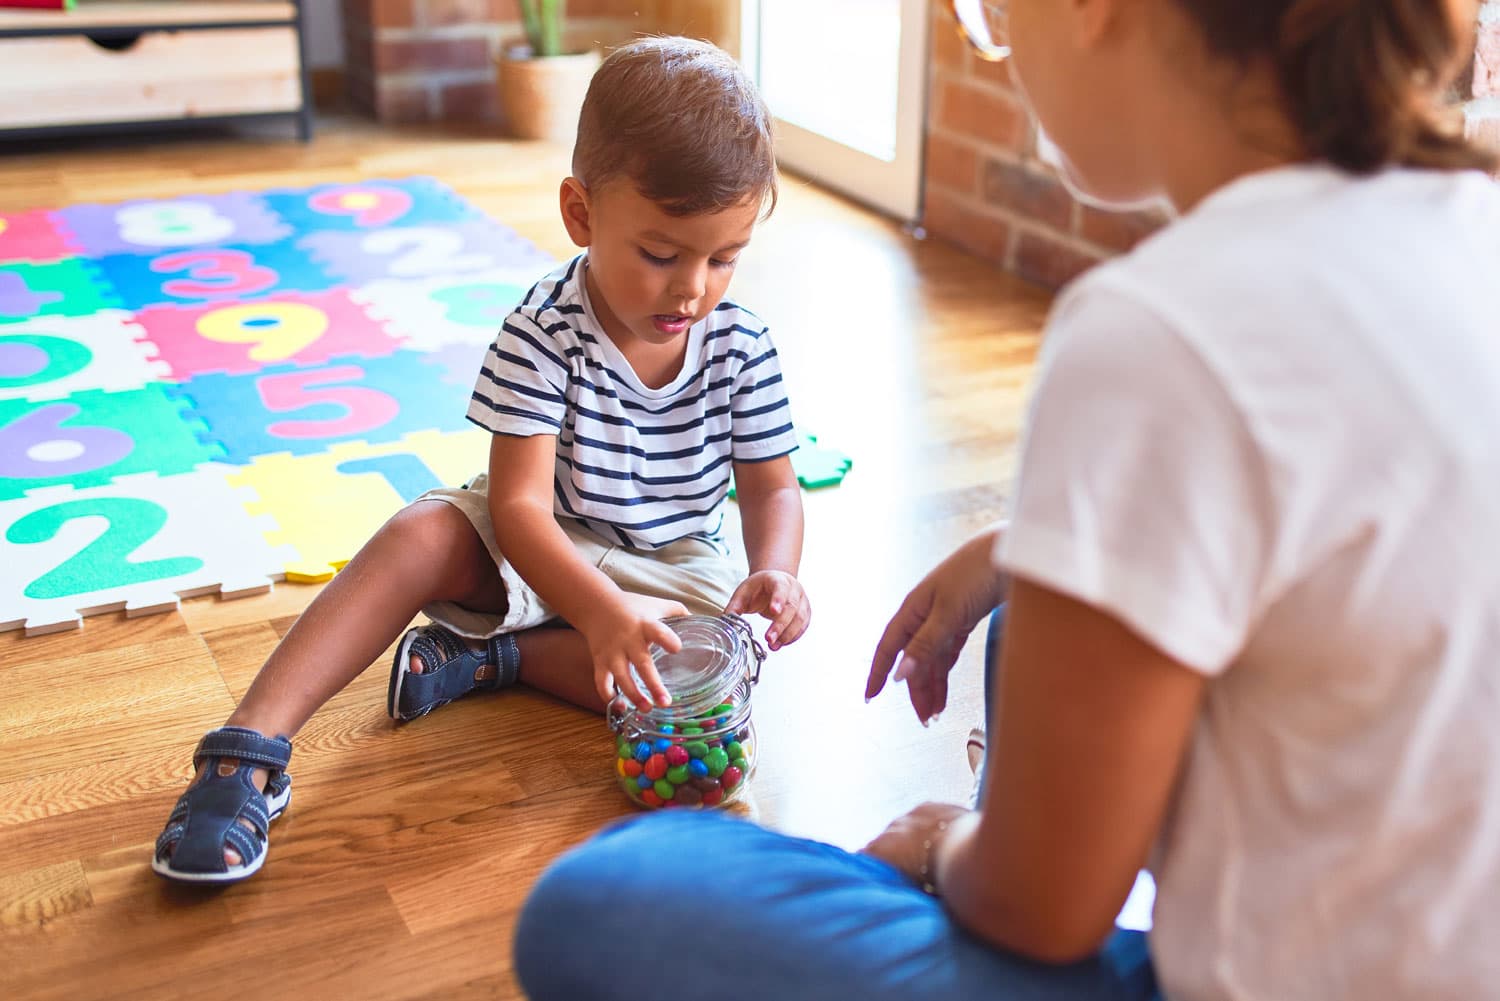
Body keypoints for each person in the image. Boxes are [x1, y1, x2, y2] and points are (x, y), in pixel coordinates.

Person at [512, 1, 1500, 998]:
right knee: (1026, 592)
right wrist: (1022, 542)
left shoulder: (1156, 330)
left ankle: (998, 821)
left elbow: (1045, 909)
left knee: (603, 897)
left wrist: (949, 841)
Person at [151, 36, 810, 884]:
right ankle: (248, 749)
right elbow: (521, 510)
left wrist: (778, 571)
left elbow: (774, 487)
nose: (692, 289)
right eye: (660, 254)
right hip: (541, 541)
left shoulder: (743, 346)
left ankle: (501, 657)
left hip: (671, 564)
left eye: (724, 258)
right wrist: (598, 610)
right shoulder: (542, 329)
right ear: (581, 213)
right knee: (421, 533)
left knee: (709, 679)